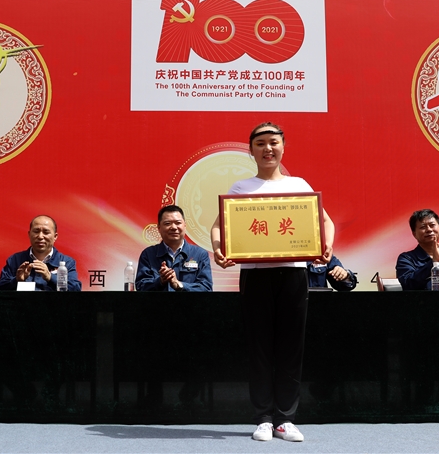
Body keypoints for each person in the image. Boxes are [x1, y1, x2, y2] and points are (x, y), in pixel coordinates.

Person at [210, 122, 335, 443]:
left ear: (283, 146)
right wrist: (219, 248)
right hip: (255, 274)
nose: (268, 148)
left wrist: (327, 246)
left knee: (291, 348)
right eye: (261, 143)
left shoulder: (299, 184)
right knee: (260, 348)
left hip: (293, 273)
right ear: (251, 150)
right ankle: (264, 418)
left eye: (274, 142)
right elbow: (219, 226)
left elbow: (325, 221)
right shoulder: (241, 188)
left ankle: (285, 419)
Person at [135, 205, 213, 292]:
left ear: (185, 225)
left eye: (178, 223)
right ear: (159, 228)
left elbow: (206, 288)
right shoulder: (148, 254)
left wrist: (179, 285)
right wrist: (160, 281)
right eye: (167, 223)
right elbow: (141, 287)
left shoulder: (200, 254)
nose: (174, 227)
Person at [0, 215, 81, 291]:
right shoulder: (15, 260)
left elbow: (76, 290)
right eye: (36, 231)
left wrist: (50, 277)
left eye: (46, 232)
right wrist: (16, 281)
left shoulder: (66, 262)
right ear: (29, 234)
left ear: (55, 236)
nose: (40, 236)